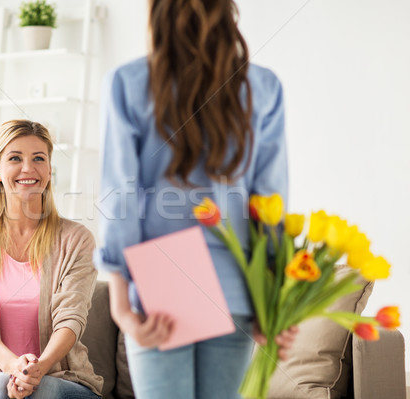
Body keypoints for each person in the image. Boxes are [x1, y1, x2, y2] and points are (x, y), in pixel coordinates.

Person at [95, 1, 297, 398]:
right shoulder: (263, 86)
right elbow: (271, 206)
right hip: (235, 284)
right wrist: (272, 303)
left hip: (161, 279)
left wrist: (120, 305)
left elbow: (120, 199)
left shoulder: (128, 83)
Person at [0, 120, 103, 399]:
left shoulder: (77, 239)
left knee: (41, 390)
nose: (28, 168)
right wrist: (12, 367)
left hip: (63, 380)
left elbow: (71, 317)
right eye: (15, 158)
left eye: (38, 158)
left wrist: (38, 369)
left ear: (48, 170)